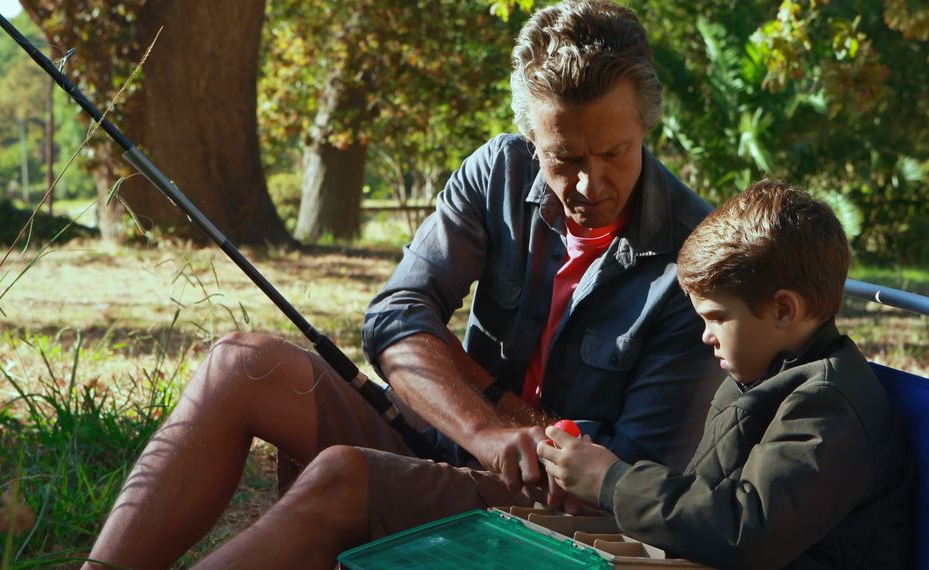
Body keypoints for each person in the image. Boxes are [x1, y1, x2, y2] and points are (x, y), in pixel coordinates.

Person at [84, 1, 719, 568]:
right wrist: (485, 429)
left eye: (614, 153)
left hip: (560, 511)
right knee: (240, 363)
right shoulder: (496, 171)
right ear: (532, 140)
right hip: (450, 439)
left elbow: (636, 474)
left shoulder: (699, 257)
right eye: (566, 159)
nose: (590, 184)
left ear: (646, 127)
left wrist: (482, 398)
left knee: (342, 475)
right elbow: (396, 314)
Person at [538, 180, 916, 569]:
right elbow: (707, 495)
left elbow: (745, 531)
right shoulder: (762, 376)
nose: (707, 336)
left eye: (717, 318)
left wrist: (612, 484)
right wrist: (604, 492)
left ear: (784, 311)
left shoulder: (827, 407)